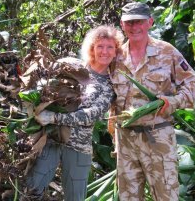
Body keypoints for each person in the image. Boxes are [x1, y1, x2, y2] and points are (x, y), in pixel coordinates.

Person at [109, 2, 195, 201]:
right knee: (128, 198)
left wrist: (172, 102)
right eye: (129, 23)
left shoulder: (166, 52)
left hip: (158, 139)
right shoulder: (114, 57)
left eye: (139, 22)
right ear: (122, 25)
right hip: (126, 141)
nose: (135, 27)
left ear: (150, 22)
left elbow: (193, 83)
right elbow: (110, 99)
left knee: (166, 196)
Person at [24, 25, 124, 201]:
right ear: (92, 48)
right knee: (33, 189)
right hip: (50, 139)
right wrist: (34, 104)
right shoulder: (71, 65)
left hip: (79, 146)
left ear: (116, 51)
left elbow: (90, 115)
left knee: (75, 197)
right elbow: (41, 81)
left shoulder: (109, 86)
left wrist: (54, 117)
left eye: (110, 47)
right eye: (100, 46)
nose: (105, 51)